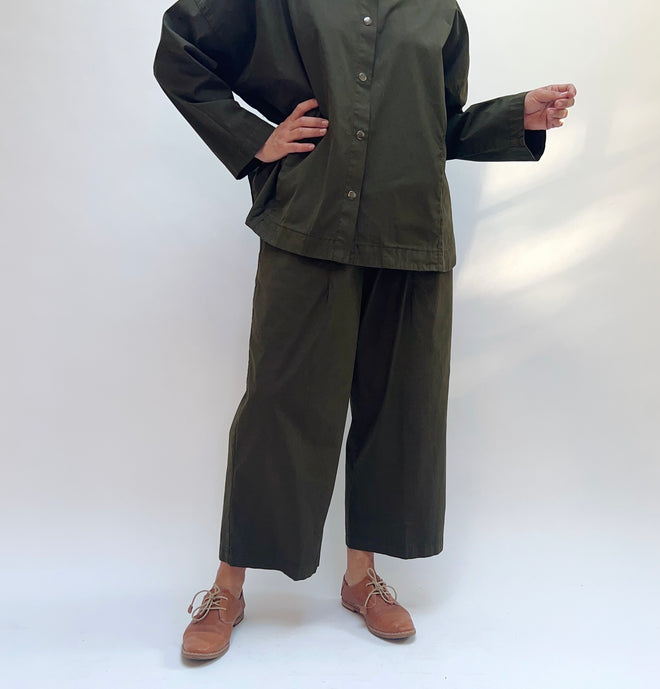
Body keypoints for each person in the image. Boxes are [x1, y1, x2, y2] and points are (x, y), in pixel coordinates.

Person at [153, 0, 576, 659]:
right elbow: (181, 47)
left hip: (411, 233)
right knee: (276, 406)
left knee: (397, 410)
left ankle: (361, 578)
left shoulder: (439, 11)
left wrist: (512, 116)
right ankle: (227, 586)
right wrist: (252, 138)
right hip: (310, 222)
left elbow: (440, 125)